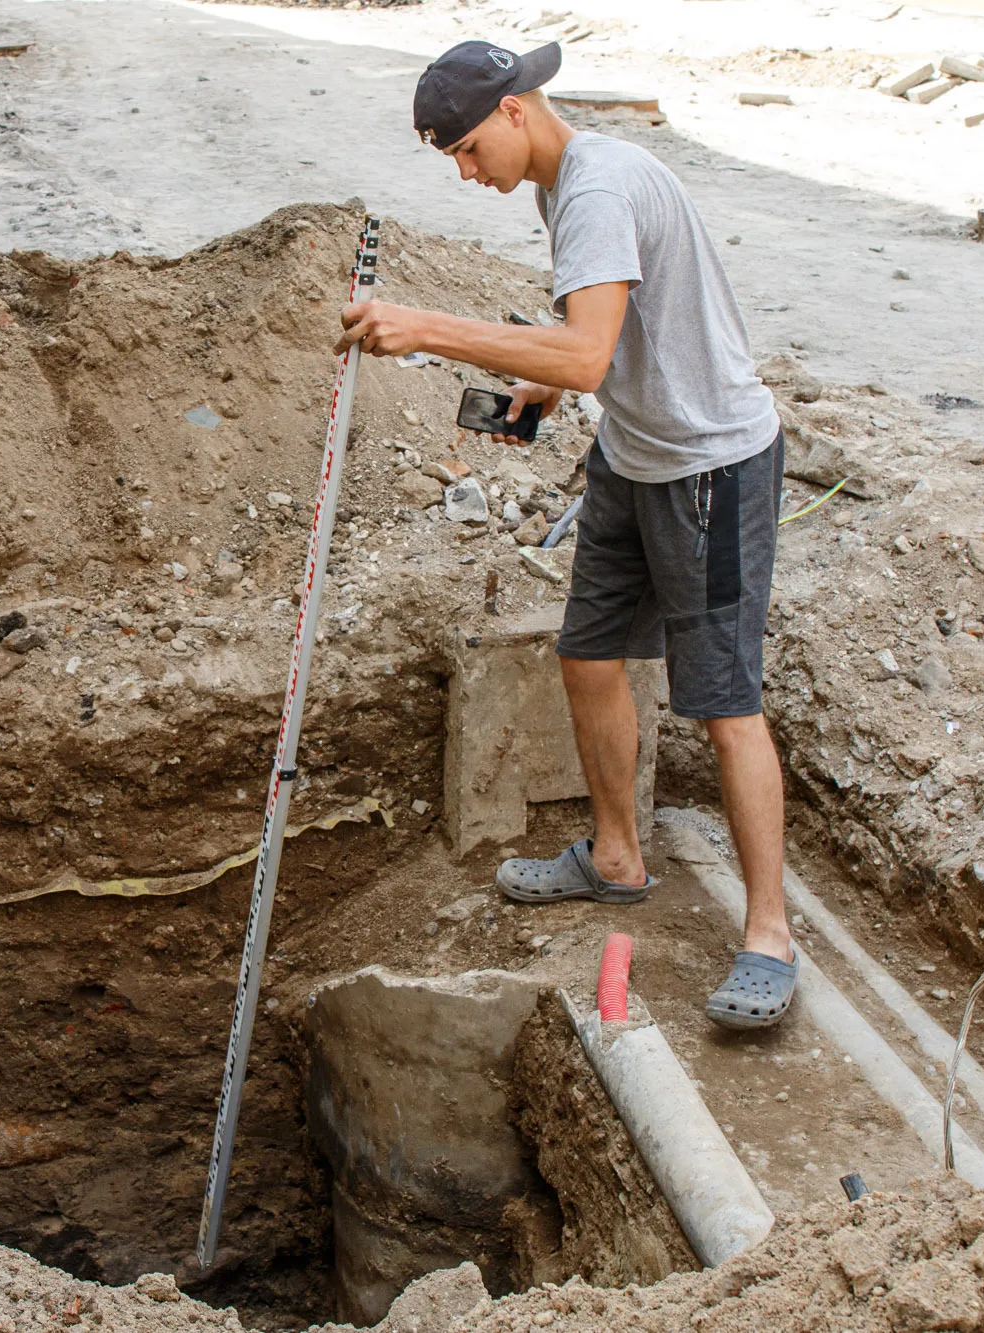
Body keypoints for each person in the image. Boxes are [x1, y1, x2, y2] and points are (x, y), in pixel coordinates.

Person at [337, 39, 795, 1029]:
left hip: (709, 465)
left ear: (512, 111)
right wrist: (535, 384)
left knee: (721, 700)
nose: (465, 174)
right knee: (588, 655)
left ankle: (767, 933)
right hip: (635, 455)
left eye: (464, 150)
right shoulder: (565, 184)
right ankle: (616, 856)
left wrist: (426, 327)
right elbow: (604, 334)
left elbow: (587, 353)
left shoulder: (590, 188)